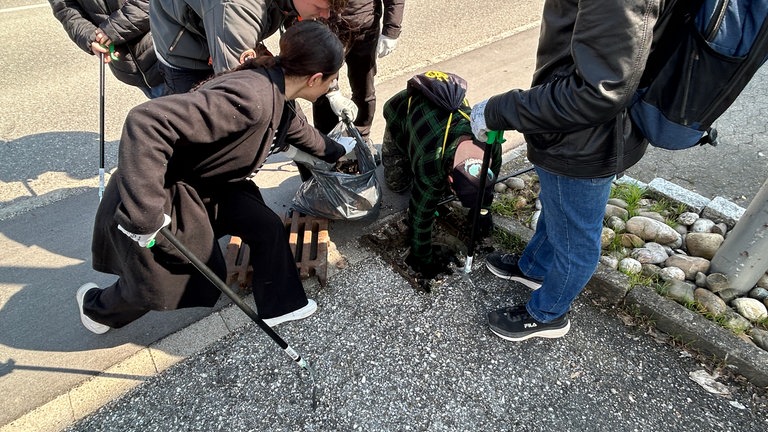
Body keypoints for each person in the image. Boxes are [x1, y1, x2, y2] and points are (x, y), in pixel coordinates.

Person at [76, 20, 357, 334]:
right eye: (332, 80)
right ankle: (98, 310)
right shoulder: (252, 97)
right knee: (162, 279)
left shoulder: (278, 88)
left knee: (265, 226)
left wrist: (337, 150)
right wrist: (144, 214)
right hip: (166, 192)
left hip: (211, 184)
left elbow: (298, 131)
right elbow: (146, 122)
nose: (332, 86)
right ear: (314, 78)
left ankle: (281, 306)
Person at [469, 0, 661, 341]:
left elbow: (599, 93)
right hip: (570, 130)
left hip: (586, 138)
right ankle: (535, 269)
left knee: (576, 239)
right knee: (558, 209)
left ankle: (548, 314)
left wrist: (499, 109)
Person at [382, 71, 501, 278]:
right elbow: (420, 216)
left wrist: (483, 212)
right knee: (398, 184)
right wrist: (423, 260)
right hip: (403, 111)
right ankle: (402, 151)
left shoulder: (492, 146)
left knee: (441, 192)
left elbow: (485, 189)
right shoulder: (431, 162)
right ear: (451, 178)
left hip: (438, 126)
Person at [149, 0, 348, 95]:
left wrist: (332, 88)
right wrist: (286, 139)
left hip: (225, 25)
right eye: (320, 8)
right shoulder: (237, 8)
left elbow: (312, 44)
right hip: (185, 49)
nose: (326, 15)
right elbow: (235, 91)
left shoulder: (305, 3)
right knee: (206, 135)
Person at [310, 0, 405, 144]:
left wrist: (391, 29)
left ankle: (361, 138)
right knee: (322, 90)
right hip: (324, 24)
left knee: (364, 88)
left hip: (364, 27)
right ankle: (326, 144)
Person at [49, 0, 167, 99]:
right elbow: (65, 10)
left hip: (168, 55)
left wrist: (110, 31)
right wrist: (90, 37)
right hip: (130, 68)